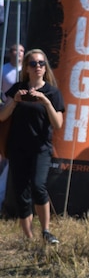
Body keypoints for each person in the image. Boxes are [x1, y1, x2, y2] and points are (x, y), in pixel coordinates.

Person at [0, 48, 64, 243]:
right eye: (33, 63)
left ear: (45, 68)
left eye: (41, 63)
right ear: (26, 68)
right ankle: (28, 236)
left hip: (41, 148)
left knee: (38, 186)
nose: (38, 67)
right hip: (18, 147)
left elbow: (58, 123)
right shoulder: (18, 88)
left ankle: (46, 231)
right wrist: (14, 102)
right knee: (21, 192)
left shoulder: (52, 93)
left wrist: (45, 102)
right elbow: (2, 116)